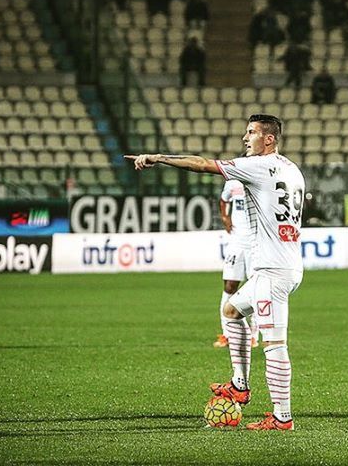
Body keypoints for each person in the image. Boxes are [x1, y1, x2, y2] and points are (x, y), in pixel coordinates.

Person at [125, 114, 305, 431]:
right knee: (232, 310)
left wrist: (160, 158)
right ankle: (240, 385)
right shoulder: (292, 169)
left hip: (273, 270)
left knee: (274, 343)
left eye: (251, 133)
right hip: (284, 263)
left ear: (269, 139)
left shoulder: (257, 167)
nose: (244, 137)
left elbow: (202, 164)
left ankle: (282, 417)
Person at [214, 179, 259, 349]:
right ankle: (227, 334)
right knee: (229, 286)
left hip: (256, 243)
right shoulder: (232, 182)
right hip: (237, 243)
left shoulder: (259, 179)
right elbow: (224, 199)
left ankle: (253, 335)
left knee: (256, 288)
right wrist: (225, 216)